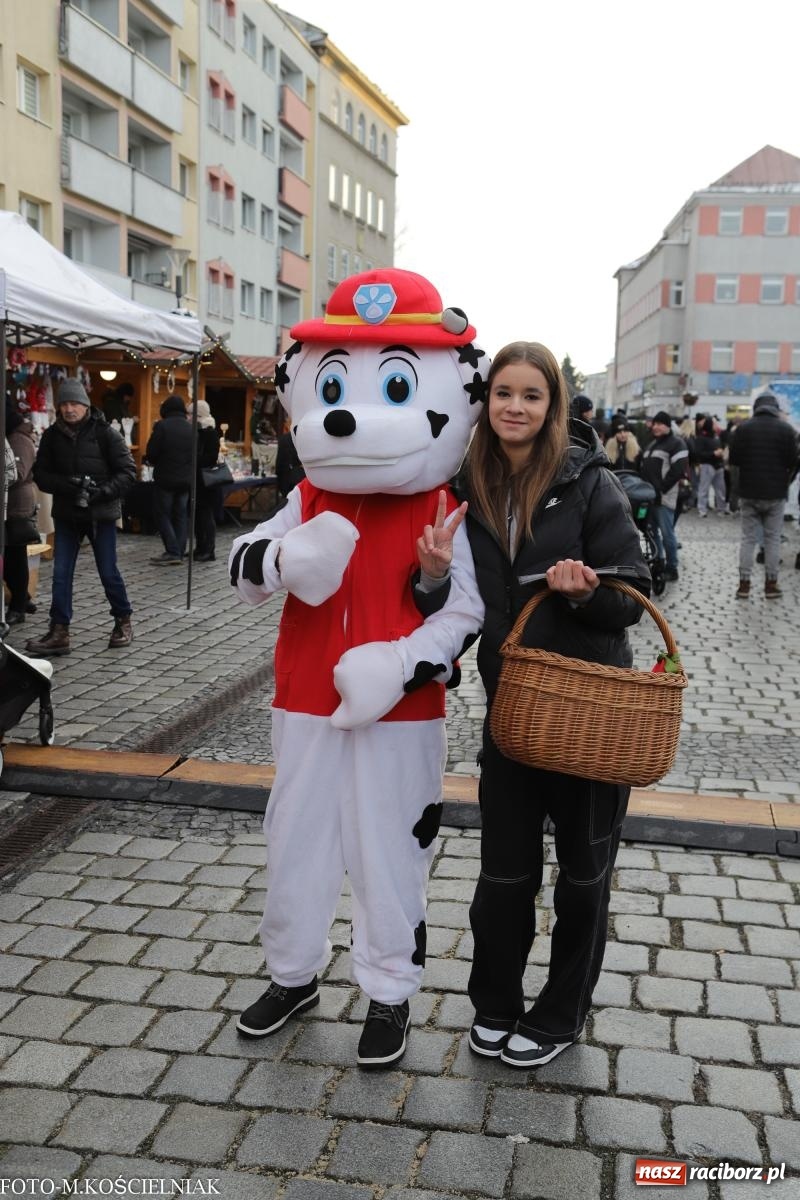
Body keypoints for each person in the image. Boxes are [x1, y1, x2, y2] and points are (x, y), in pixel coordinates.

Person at [228, 267, 487, 1069]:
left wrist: (402, 663)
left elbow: (465, 612)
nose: (348, 414)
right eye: (334, 384)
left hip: (399, 716)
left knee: (389, 851)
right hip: (303, 699)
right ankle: (294, 974)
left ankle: (388, 992)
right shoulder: (308, 498)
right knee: (295, 843)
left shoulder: (442, 506)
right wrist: (283, 558)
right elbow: (242, 562)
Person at [419, 341, 649, 1069]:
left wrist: (587, 591)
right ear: (486, 403)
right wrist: (426, 578)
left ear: (554, 406)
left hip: (587, 716)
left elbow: (632, 594)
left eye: (532, 395)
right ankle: (495, 1003)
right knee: (504, 874)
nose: (515, 407)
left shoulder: (589, 485)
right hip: (511, 716)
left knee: (583, 878)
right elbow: (443, 605)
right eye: (503, 394)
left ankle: (560, 1013)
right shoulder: (464, 486)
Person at [25, 377, 135, 655]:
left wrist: (103, 491)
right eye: (64, 404)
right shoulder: (51, 436)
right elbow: (40, 474)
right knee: (61, 574)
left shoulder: (105, 433)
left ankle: (123, 620)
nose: (69, 409)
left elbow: (127, 472)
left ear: (86, 405)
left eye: (75, 403)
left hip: (101, 514)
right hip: (67, 514)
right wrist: (66, 485)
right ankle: (59, 630)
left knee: (108, 572)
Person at [728, 392, 799, 599]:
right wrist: (784, 482)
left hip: (749, 492)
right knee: (773, 539)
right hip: (775, 494)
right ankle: (771, 584)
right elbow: (793, 462)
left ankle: (744, 584)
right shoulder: (786, 430)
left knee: (748, 539)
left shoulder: (744, 428)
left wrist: (735, 490)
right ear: (775, 409)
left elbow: (734, 461)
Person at [639, 412, 688, 582]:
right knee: (651, 533)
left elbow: (678, 470)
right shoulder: (652, 444)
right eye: (655, 423)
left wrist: (661, 489)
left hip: (664, 497)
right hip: (648, 497)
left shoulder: (676, 444)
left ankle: (672, 567)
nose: (656, 426)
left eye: (660, 424)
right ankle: (658, 561)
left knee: (667, 534)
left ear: (668, 426)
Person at [145, 394, 193, 564]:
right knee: (181, 515)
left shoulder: (162, 426)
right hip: (186, 480)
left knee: (162, 515)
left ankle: (172, 551)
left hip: (165, 479)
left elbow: (152, 453)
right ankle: (179, 550)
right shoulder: (191, 428)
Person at [3, 408, 37, 625]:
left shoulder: (18, 438)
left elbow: (18, 472)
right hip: (7, 504)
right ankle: (22, 596)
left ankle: (18, 605)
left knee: (14, 556)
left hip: (16, 505)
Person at [189, 399, 221, 563]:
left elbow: (210, 457)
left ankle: (208, 550)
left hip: (206, 482)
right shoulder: (198, 431)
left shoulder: (209, 432)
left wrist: (193, 460)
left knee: (205, 516)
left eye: (190, 413)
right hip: (199, 481)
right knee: (198, 516)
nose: (188, 417)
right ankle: (200, 547)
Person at [692, 416, 727, 517]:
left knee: (721, 490)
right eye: (714, 424)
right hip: (707, 465)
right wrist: (713, 453)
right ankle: (702, 510)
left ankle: (721, 509)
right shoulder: (701, 438)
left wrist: (720, 452)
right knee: (704, 489)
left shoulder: (716, 437)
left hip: (718, 465)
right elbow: (698, 453)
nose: (716, 426)